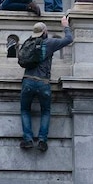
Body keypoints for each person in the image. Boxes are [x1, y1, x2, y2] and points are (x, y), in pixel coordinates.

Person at [20, 16, 74, 152]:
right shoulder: (49, 43)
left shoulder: (28, 43)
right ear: (44, 32)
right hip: (43, 82)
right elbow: (69, 39)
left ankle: (27, 139)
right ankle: (42, 140)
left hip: (27, 80)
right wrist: (66, 26)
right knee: (45, 111)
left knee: (25, 110)